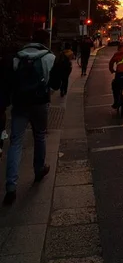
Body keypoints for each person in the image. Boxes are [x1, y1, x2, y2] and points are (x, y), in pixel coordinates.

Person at [3, 29, 60, 206]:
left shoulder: (17, 58)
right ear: (46, 41)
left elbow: (8, 83)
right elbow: (55, 84)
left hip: (20, 104)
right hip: (39, 103)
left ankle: (11, 187)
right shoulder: (49, 58)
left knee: (16, 142)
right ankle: (38, 169)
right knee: (40, 135)